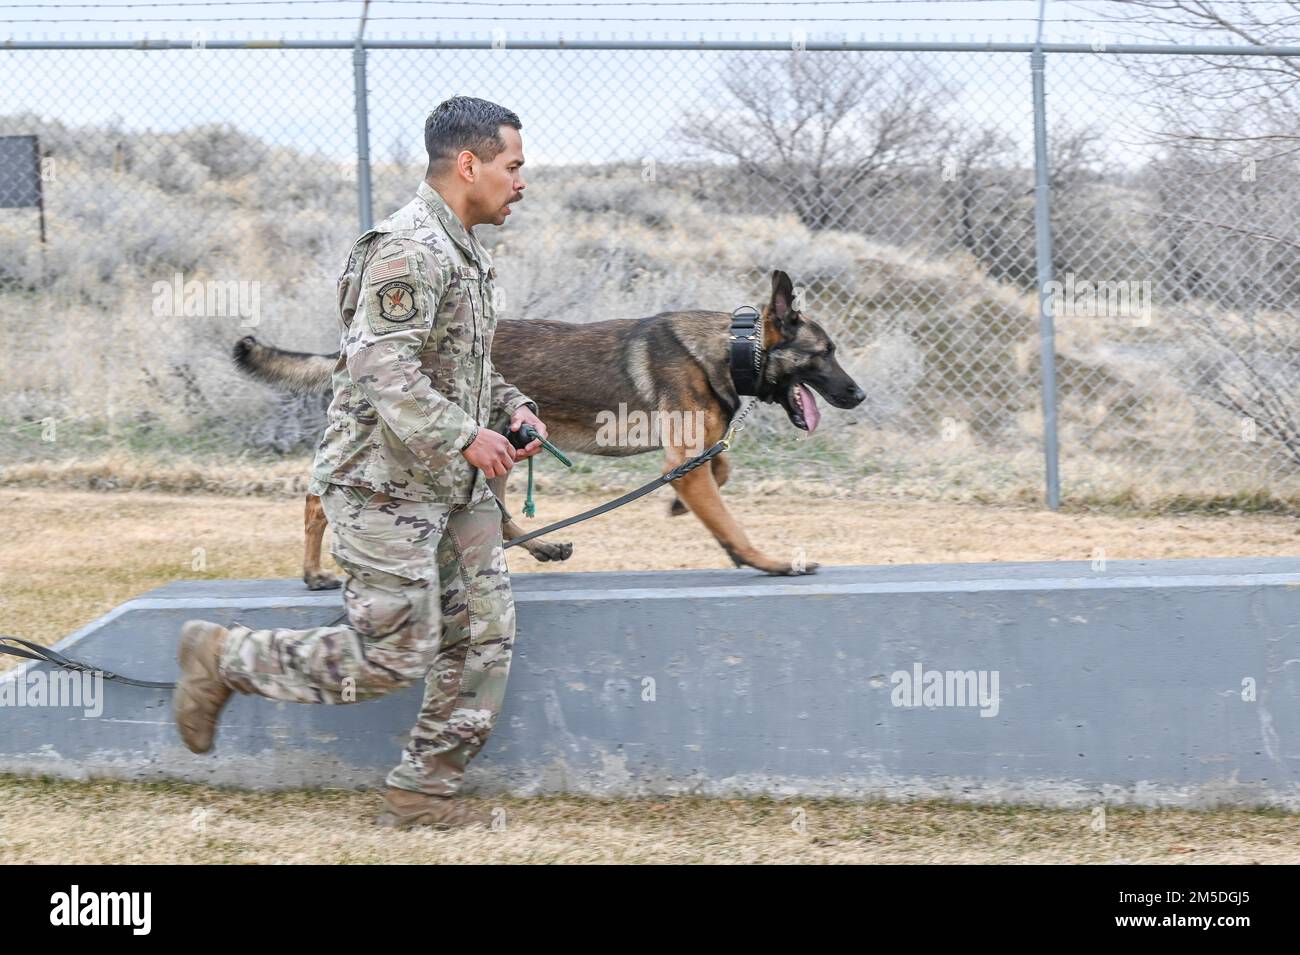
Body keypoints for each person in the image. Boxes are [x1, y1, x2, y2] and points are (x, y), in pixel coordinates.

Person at [172, 95, 546, 830]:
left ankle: (422, 793)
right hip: (384, 485)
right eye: (514, 165)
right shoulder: (408, 247)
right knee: (396, 653)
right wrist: (466, 435)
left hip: (449, 482)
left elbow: (460, 363)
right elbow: (380, 365)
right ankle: (225, 658)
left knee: (483, 632)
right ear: (468, 165)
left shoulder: (464, 250)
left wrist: (512, 406)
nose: (522, 181)